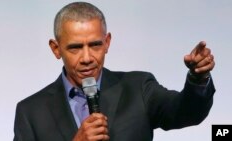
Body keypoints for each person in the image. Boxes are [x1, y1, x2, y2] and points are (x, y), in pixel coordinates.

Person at [13, 2, 215, 141]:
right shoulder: (31, 112)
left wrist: (198, 77)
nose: (86, 58)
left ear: (107, 42)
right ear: (56, 49)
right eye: (75, 47)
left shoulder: (138, 88)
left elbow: (186, 112)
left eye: (95, 45)